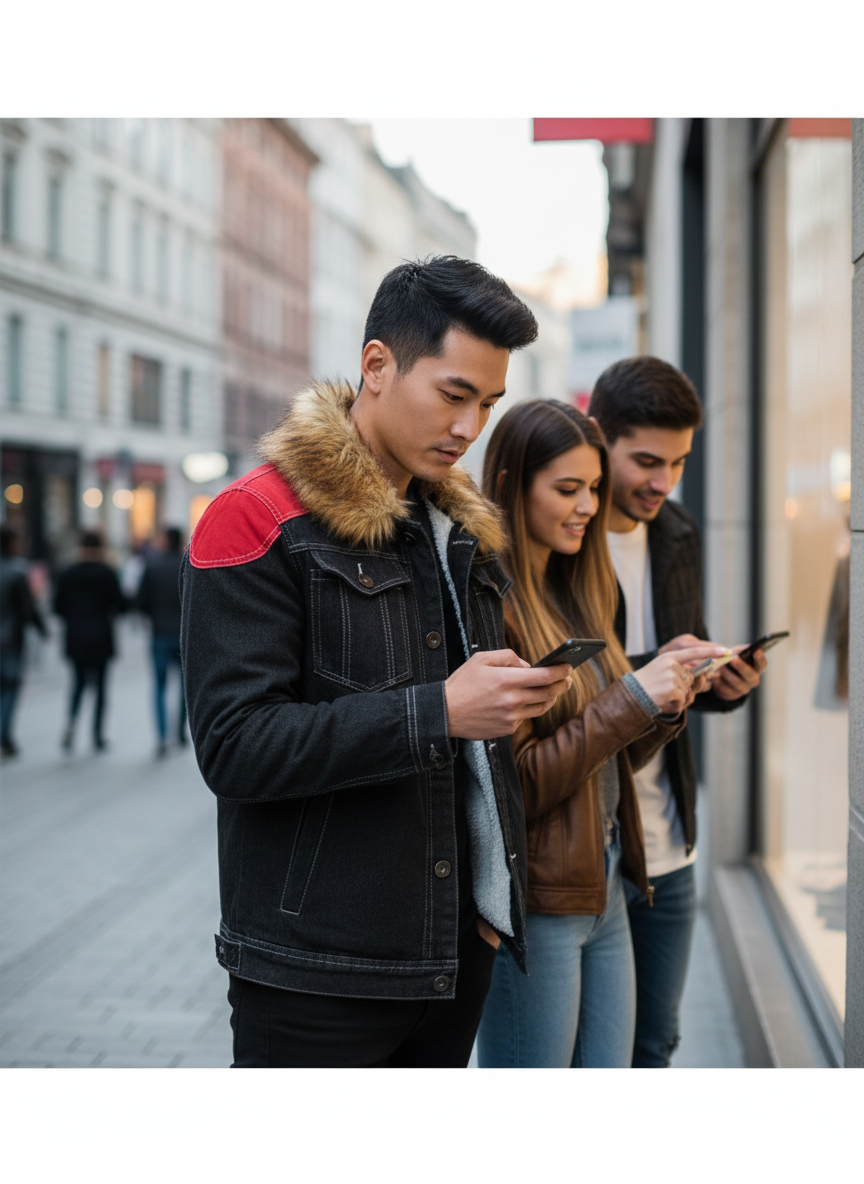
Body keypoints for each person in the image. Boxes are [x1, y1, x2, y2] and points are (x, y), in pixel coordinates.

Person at [179, 256, 574, 1068]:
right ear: (376, 366)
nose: (470, 428)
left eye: (489, 404)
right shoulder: (254, 516)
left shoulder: (455, 526)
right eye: (454, 395)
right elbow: (234, 747)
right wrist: (440, 711)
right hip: (317, 976)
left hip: (451, 956)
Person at [475, 400, 723, 1068]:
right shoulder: (486, 605)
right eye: (566, 489)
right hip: (539, 906)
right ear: (508, 485)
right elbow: (513, 788)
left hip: (606, 883)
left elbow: (600, 756)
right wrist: (631, 700)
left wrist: (662, 706)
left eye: (592, 488)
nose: (587, 507)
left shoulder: (578, 586)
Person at [588, 355, 768, 1068]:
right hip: (587, 849)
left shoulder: (676, 533)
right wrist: (654, 676)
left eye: (680, 462)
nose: (664, 482)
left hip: (671, 845)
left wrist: (723, 684)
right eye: (646, 461)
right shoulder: (558, 536)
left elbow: (672, 687)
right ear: (596, 435)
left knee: (654, 1047)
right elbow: (562, 691)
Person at [54, 529, 127, 753]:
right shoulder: (107, 572)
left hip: (75, 635)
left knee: (77, 683)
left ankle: (71, 723)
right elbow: (120, 605)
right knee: (101, 686)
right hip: (101, 635)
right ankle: (97, 735)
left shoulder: (68, 572)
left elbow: (57, 607)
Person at [136, 526, 187, 757]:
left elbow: (140, 602)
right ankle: (181, 731)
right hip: (184, 635)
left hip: (159, 634)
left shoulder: (152, 567)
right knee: (186, 686)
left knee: (159, 686)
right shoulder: (188, 565)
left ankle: (161, 735)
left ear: (166, 540)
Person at [0, 525, 48, 758]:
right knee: (9, 688)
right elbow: (28, 609)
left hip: (9, 639)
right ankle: (4, 734)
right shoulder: (17, 572)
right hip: (10, 641)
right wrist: (42, 629)